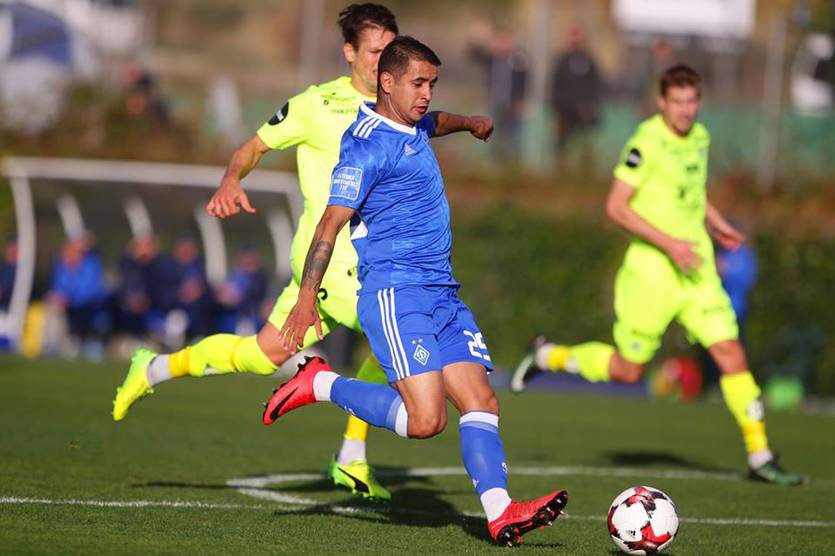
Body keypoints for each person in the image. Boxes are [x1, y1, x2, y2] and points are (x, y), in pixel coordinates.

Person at [264, 36, 568, 547]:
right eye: (418, 83)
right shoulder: (365, 146)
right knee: (426, 421)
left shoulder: (414, 121)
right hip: (396, 292)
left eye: (433, 84)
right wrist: (304, 298)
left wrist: (470, 123)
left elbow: (436, 122)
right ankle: (319, 384)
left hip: (442, 293)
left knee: (481, 400)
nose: (427, 94)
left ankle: (501, 513)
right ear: (387, 82)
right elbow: (329, 225)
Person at [112, 3, 400, 502]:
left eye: (390, 51)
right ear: (349, 52)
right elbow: (252, 148)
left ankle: (154, 367)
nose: (383, 61)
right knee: (395, 338)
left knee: (261, 356)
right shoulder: (316, 104)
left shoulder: (398, 105)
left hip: (370, 260)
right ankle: (351, 455)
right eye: (375, 51)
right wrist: (231, 179)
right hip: (330, 262)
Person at [511, 65, 802, 486]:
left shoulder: (700, 137)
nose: (685, 110)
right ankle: (549, 357)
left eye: (692, 101)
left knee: (730, 352)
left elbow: (691, 192)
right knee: (629, 371)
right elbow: (616, 207)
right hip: (651, 275)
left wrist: (715, 221)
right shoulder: (645, 143)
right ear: (662, 102)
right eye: (677, 102)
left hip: (697, 271)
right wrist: (670, 244)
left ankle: (760, 455)